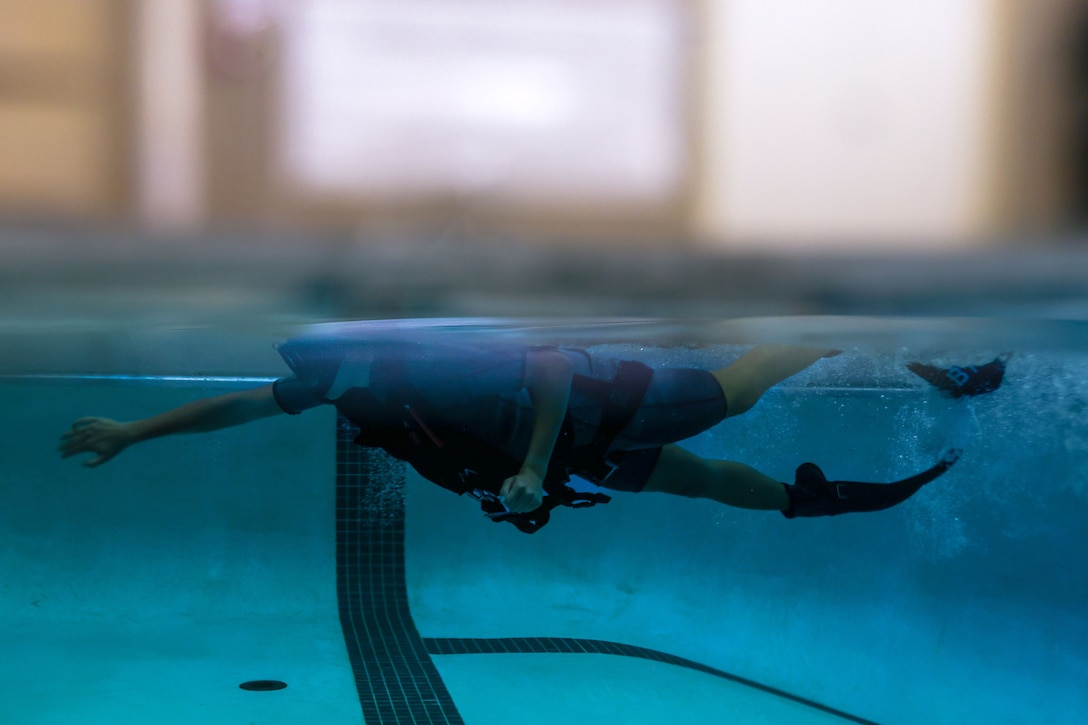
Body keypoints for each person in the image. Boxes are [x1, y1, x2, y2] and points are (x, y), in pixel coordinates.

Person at [58, 333, 1005, 532]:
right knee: (698, 482)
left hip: (600, 407)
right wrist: (135, 432)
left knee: (737, 390)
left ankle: (890, 334)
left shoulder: (414, 360)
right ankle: (810, 499)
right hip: (560, 453)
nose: (310, 385)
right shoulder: (340, 387)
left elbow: (547, 364)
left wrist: (538, 462)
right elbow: (241, 403)